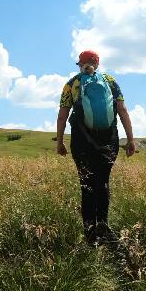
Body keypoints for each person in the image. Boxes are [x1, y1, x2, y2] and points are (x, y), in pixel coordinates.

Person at [56, 49, 136, 248]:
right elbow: (122, 110)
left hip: (81, 141)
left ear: (80, 64)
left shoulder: (72, 84)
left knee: (87, 185)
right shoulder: (110, 81)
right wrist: (131, 139)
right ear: (97, 64)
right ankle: (104, 227)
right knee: (103, 183)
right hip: (109, 140)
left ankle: (90, 236)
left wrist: (59, 142)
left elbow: (62, 115)